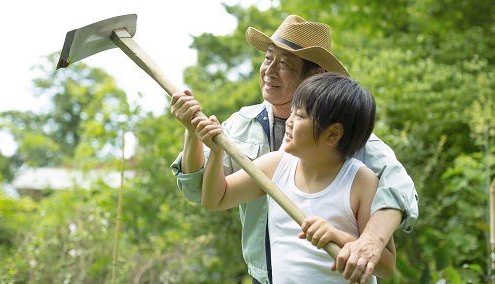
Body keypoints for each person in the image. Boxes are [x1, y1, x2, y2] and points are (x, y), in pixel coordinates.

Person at [170, 15, 418, 284]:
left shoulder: (353, 140)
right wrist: (192, 133)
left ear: (316, 74)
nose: (270, 70)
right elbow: (199, 190)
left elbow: (401, 191)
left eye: (285, 63)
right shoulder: (242, 127)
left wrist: (365, 242)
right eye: (268, 58)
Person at [193, 73, 395, 283]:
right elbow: (215, 199)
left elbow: (386, 266)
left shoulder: (361, 181)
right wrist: (216, 154)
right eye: (291, 113)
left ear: (333, 133)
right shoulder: (275, 166)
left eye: (299, 116)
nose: (288, 122)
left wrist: (339, 237)